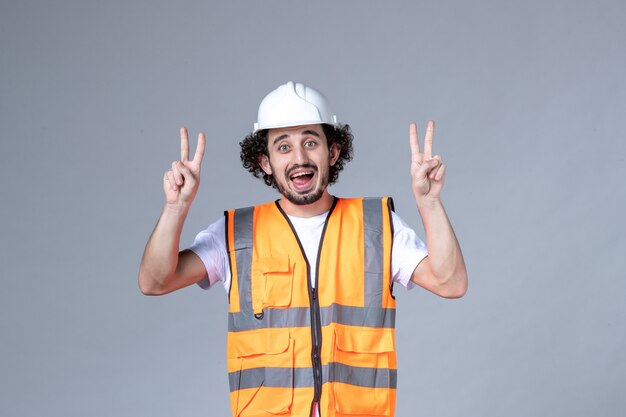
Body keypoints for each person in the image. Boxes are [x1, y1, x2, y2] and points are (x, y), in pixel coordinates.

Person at [139, 81, 467, 417]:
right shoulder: (237, 234)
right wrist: (175, 208)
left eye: (311, 142)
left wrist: (429, 203)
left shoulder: (377, 227)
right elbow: (155, 281)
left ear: (333, 152)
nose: (299, 158)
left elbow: (450, 282)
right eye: (283, 147)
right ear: (265, 162)